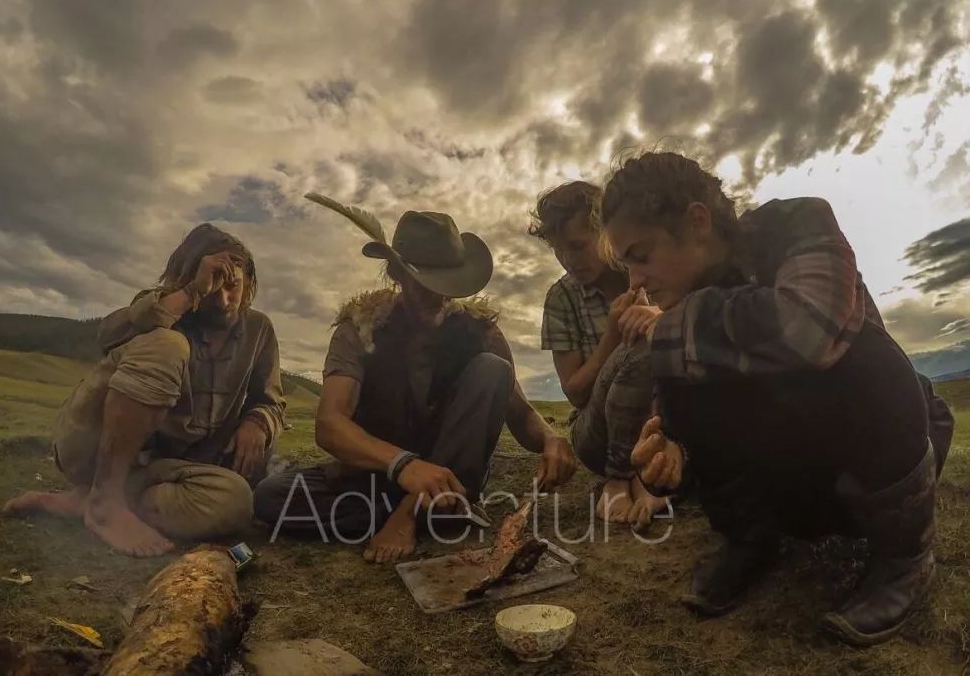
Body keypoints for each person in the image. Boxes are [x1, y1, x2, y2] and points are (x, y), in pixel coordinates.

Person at [599, 151, 954, 645]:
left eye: (640, 255)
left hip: (882, 458)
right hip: (797, 489)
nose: (634, 281)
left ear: (697, 221)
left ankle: (905, 557)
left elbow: (809, 328)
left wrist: (675, 326)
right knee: (682, 358)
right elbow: (683, 395)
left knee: (862, 351)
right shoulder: (685, 303)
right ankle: (750, 539)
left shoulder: (801, 223)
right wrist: (671, 449)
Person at [254, 199, 578, 564]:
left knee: (493, 369)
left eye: (447, 283)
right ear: (396, 274)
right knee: (270, 497)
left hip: (451, 472)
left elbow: (518, 414)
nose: (438, 295)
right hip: (378, 474)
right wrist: (404, 466)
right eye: (425, 283)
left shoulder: (481, 331)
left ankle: (416, 510)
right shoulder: (360, 329)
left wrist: (551, 438)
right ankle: (436, 511)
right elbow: (330, 426)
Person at [4, 224, 286, 557]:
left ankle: (88, 501)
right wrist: (192, 292)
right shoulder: (162, 308)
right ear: (189, 277)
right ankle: (106, 499)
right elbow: (107, 336)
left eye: (234, 285)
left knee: (237, 503)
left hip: (166, 471)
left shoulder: (258, 329)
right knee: (168, 344)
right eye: (215, 287)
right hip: (91, 448)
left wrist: (257, 422)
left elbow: (271, 401)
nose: (225, 300)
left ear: (248, 282)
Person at [531, 181, 666, 528]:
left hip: (662, 417)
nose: (569, 261)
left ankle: (652, 472)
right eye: (559, 251)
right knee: (639, 342)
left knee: (654, 337)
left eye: (577, 246)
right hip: (597, 434)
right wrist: (612, 335)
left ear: (605, 234)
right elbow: (575, 393)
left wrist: (659, 320)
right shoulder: (561, 298)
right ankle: (621, 476)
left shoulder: (648, 272)